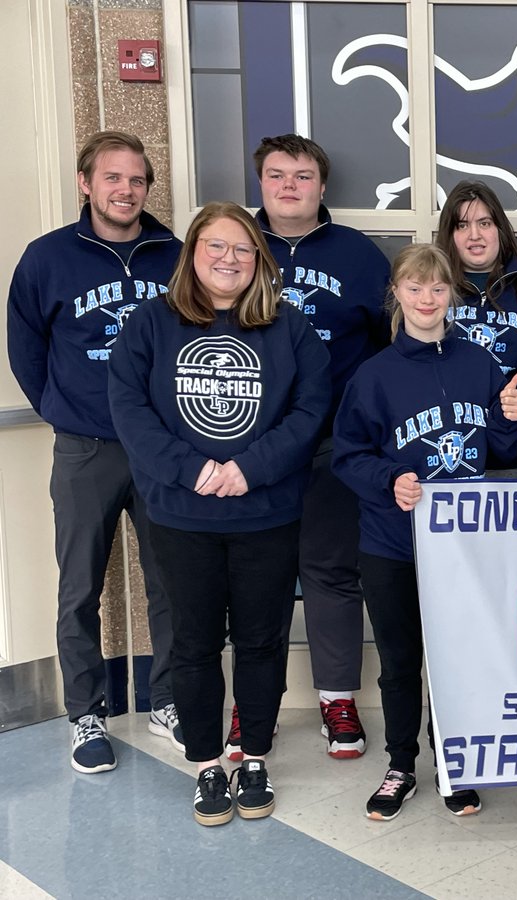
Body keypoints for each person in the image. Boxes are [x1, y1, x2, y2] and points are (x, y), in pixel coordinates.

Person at [107, 201, 331, 826]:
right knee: (195, 644)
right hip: (182, 515)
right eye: (216, 246)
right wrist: (194, 470)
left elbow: (310, 412)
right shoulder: (150, 324)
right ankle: (207, 765)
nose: (230, 259)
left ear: (258, 259)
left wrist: (249, 469)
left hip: (266, 513)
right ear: (192, 254)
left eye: (242, 249)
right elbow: (129, 409)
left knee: (262, 641)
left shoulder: (291, 330)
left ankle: (254, 755)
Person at [6, 130, 182, 772]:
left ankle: (168, 699)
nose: (125, 190)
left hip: (162, 447)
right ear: (86, 183)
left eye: (136, 179)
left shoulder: (174, 255)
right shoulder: (48, 258)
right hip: (86, 446)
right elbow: (25, 343)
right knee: (80, 584)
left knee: (171, 580)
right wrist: (58, 409)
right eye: (112, 178)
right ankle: (86, 714)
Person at [332, 245, 517, 821]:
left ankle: (453, 760)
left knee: (455, 657)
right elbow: (348, 456)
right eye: (415, 289)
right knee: (399, 658)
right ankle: (400, 763)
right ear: (398, 294)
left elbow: (503, 451)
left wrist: (509, 418)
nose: (427, 299)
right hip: (392, 543)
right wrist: (390, 479)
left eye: (438, 289)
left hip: (463, 546)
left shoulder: (480, 363)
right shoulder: (374, 375)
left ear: (451, 295)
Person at [236, 134, 391, 762]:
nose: (290, 186)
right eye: (277, 175)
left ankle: (336, 697)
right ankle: (254, 707)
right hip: (253, 448)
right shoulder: (232, 248)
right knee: (259, 579)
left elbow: (388, 345)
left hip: (333, 443)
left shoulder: (358, 254)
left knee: (330, 571)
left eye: (303, 176)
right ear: (262, 184)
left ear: (322, 186)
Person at [435, 180, 517, 470]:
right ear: (449, 234)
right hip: (450, 448)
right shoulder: (433, 292)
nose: (475, 235)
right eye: (462, 225)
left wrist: (511, 415)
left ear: (500, 230)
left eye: (485, 223)